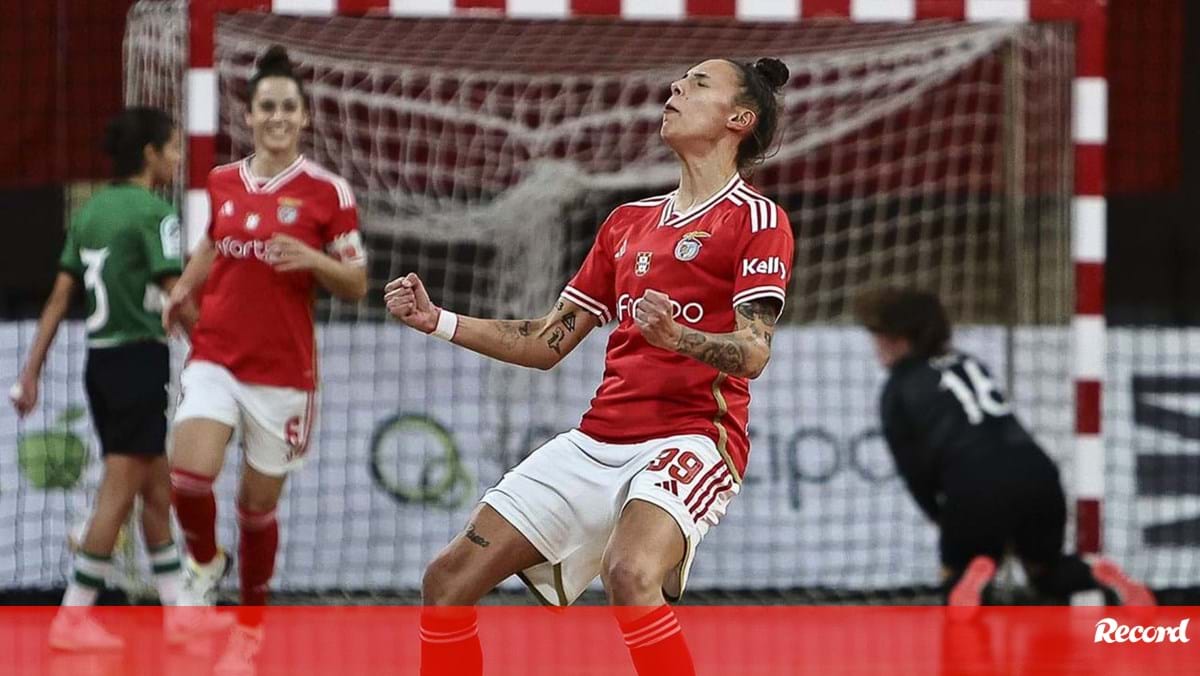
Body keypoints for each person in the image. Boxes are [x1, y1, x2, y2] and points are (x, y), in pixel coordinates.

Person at [386, 57, 793, 676]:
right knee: (445, 583)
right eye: (679, 80)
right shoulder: (626, 224)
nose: (677, 88)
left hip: (693, 436)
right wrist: (438, 320)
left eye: (699, 83)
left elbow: (754, 352)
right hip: (597, 439)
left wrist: (677, 336)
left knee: (629, 573)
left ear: (740, 119)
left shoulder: (757, 221)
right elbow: (545, 342)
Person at [161, 44, 368, 671]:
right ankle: (203, 561)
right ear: (248, 116)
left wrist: (312, 260)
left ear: (303, 118)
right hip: (216, 354)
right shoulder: (223, 181)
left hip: (283, 374)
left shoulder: (328, 193)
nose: (276, 116)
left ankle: (249, 629)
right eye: (266, 107)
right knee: (187, 475)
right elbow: (213, 243)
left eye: (287, 107)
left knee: (256, 507)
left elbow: (356, 283)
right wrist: (184, 289)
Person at [8, 107, 218, 649]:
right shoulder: (154, 212)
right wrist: (217, 355)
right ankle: (72, 617)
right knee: (120, 493)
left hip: (100, 364)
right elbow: (177, 294)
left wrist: (30, 372)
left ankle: (177, 612)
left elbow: (59, 297)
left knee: (155, 487)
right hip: (138, 362)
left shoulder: (91, 212)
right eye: (173, 148)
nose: (177, 158)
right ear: (149, 154)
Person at [853, 286, 1155, 607]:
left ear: (898, 339)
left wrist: (939, 514)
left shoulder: (897, 389)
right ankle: (1096, 572)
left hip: (974, 483)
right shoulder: (969, 363)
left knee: (956, 585)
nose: (876, 346)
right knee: (1046, 572)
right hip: (1037, 473)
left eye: (878, 336)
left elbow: (914, 469)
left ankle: (970, 577)